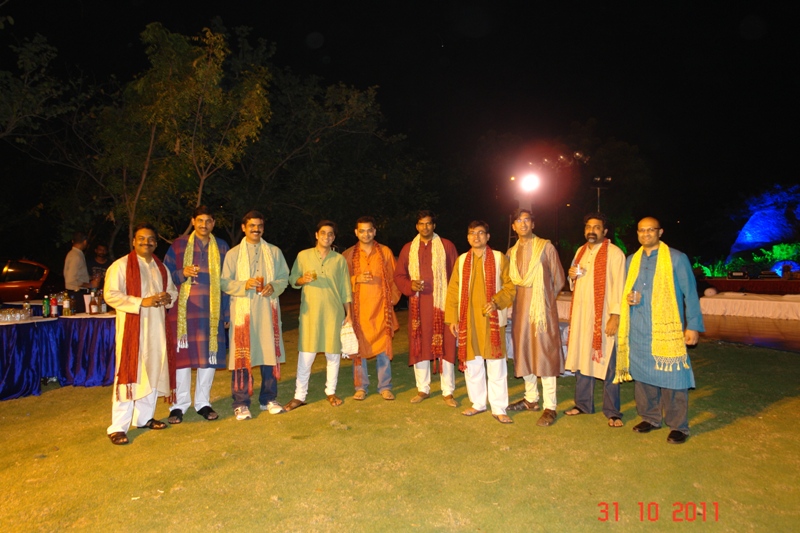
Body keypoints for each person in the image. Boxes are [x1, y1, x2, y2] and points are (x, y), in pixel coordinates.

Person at [617, 217, 704, 444]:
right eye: (641, 230)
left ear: (660, 232)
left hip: (667, 329)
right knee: (643, 376)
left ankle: (678, 426)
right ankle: (650, 417)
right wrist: (628, 299)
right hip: (639, 327)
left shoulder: (676, 258)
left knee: (673, 376)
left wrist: (693, 326)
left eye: (651, 230)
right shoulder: (631, 260)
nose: (646, 234)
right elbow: (626, 291)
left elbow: (690, 294)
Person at [104, 223, 179, 445]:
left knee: (152, 371)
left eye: (151, 239)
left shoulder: (160, 267)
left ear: (156, 243)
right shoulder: (120, 266)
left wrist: (168, 298)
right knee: (129, 374)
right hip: (133, 329)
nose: (146, 242)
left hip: (157, 328)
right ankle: (118, 427)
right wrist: (141, 302)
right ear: (134, 241)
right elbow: (111, 294)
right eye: (142, 238)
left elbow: (172, 291)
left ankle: (145, 418)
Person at [163, 206, 230, 424]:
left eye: (208, 221)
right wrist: (181, 273)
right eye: (200, 220)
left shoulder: (222, 247)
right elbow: (164, 275)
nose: (204, 225)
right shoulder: (179, 245)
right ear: (193, 221)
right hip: (183, 313)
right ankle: (179, 405)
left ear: (213, 223)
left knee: (208, 358)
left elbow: (227, 282)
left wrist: (227, 311)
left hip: (212, 312)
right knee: (182, 359)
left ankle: (203, 403)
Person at [221, 210, 290, 421]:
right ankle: (241, 403)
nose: (256, 229)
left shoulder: (274, 252)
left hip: (267, 312)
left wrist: (273, 286)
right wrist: (244, 284)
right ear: (244, 228)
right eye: (252, 225)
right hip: (243, 315)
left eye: (259, 226)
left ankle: (268, 399)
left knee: (269, 354)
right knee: (242, 356)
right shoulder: (233, 254)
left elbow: (284, 277)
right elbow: (224, 282)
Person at [445, 221, 515, 424]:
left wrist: (496, 302)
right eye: (472, 233)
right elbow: (453, 290)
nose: (476, 237)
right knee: (473, 363)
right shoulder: (462, 261)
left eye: (480, 233)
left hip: (492, 320)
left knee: (496, 365)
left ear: (488, 236)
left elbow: (510, 286)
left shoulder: (499, 258)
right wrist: (452, 318)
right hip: (469, 321)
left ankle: (499, 407)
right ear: (468, 237)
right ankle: (478, 403)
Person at [564, 212, 626, 427]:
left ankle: (612, 411)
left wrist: (615, 316)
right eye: (588, 227)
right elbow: (575, 281)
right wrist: (572, 276)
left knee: (608, 364)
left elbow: (620, 285)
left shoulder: (614, 253)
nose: (592, 231)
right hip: (582, 317)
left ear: (605, 231)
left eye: (597, 227)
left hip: (604, 317)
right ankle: (583, 404)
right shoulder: (580, 251)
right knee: (583, 359)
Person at [505, 210, 565, 427]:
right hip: (521, 311)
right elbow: (509, 284)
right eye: (518, 220)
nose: (523, 224)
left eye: (526, 220)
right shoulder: (511, 252)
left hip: (542, 312)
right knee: (524, 352)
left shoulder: (546, 247)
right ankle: (531, 399)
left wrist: (544, 300)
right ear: (514, 226)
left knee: (545, 353)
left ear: (533, 224)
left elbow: (558, 279)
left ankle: (550, 405)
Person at [285, 220, 353, 411]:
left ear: (334, 237)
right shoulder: (303, 256)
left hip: (333, 313)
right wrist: (302, 279)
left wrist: (349, 314)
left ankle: (331, 392)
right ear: (316, 235)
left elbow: (345, 289)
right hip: (311, 314)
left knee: (333, 355)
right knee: (306, 355)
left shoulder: (339, 260)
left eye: (330, 234)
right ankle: (299, 396)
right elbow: (292, 280)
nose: (326, 237)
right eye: (323, 233)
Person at [394, 210, 459, 406]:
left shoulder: (446, 246)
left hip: (442, 306)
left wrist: (454, 304)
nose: (425, 227)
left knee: (446, 346)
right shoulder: (408, 248)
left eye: (429, 223)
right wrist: (410, 285)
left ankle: (448, 391)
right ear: (417, 226)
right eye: (421, 224)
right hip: (419, 307)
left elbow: (456, 276)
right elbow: (399, 276)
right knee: (420, 345)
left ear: (434, 225)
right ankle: (423, 389)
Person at [342, 217, 401, 401]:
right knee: (359, 348)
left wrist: (391, 301)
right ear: (356, 232)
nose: (366, 234)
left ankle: (385, 386)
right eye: (362, 231)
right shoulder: (348, 255)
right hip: (359, 311)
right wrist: (355, 279)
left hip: (381, 309)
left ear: (374, 231)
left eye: (369, 230)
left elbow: (395, 278)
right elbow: (341, 283)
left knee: (383, 348)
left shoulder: (385, 252)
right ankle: (361, 387)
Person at [64, 231, 93, 312]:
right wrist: (89, 284)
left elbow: (77, 274)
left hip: (76, 292)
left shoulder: (75, 253)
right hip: (76, 293)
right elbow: (71, 279)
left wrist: (90, 278)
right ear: (85, 242)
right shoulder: (76, 256)